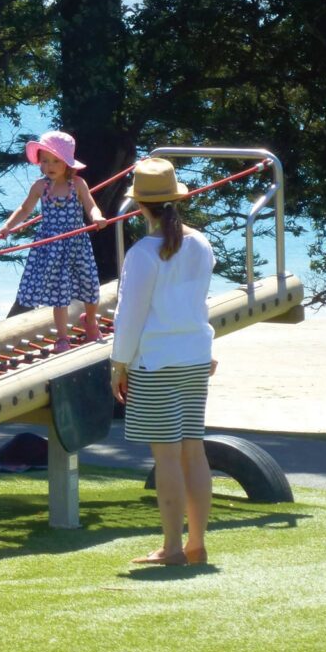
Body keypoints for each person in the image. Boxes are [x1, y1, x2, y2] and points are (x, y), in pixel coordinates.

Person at [110, 158, 217, 566]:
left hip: (156, 362)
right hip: (194, 357)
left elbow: (130, 314)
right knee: (194, 452)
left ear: (140, 207)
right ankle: (196, 545)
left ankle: (173, 547)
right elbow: (197, 304)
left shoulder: (142, 253)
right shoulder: (201, 243)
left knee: (168, 457)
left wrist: (118, 363)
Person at [0, 130, 106, 352]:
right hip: (51, 246)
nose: (49, 166)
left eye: (56, 161)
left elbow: (90, 205)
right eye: (45, 161)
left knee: (90, 286)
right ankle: (63, 337)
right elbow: (25, 208)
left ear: (67, 163)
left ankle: (90, 320)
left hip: (76, 244)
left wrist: (97, 217)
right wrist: (9, 226)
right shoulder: (40, 186)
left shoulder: (78, 184)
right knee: (59, 293)